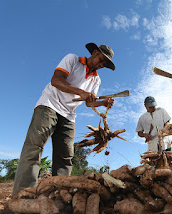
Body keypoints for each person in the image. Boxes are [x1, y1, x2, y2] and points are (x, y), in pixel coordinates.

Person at [13, 43, 116, 195]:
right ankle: (23, 195)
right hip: (49, 105)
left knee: (65, 156)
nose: (101, 64)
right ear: (94, 52)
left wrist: (102, 102)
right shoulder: (72, 60)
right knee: (34, 147)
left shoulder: (96, 80)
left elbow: (89, 102)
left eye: (104, 64)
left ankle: (59, 195)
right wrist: (80, 92)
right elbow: (56, 80)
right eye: (101, 59)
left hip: (69, 115)